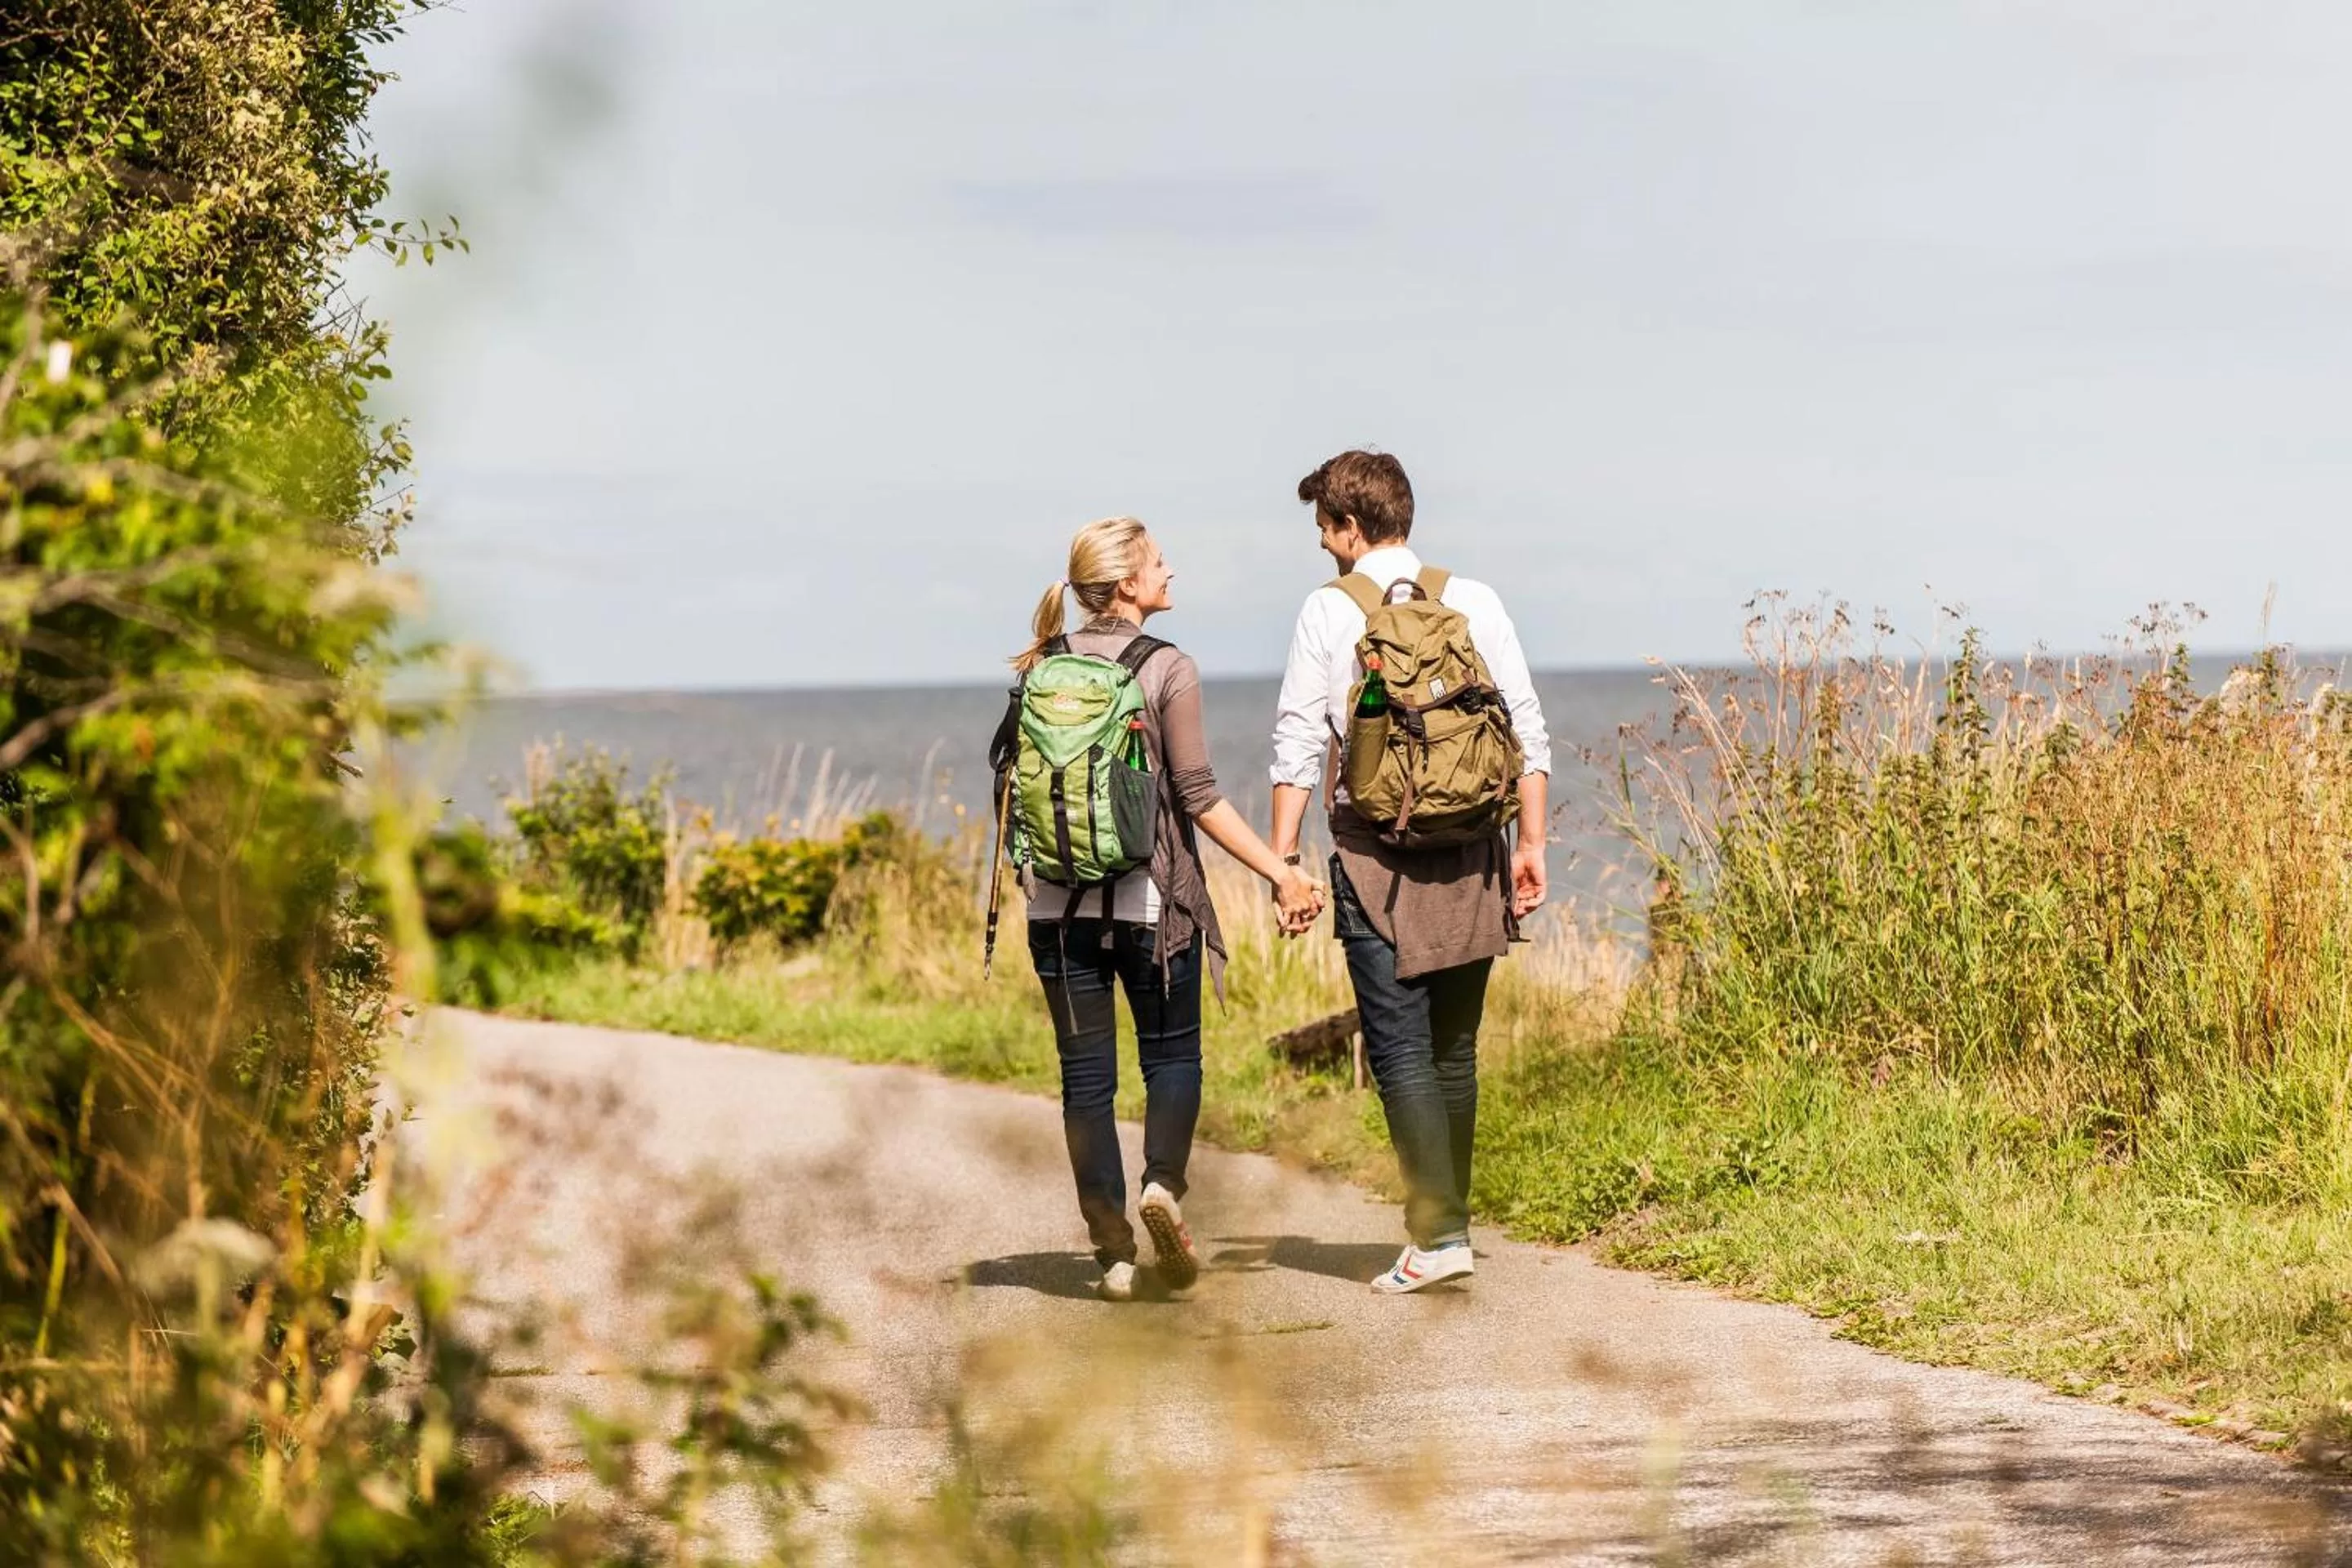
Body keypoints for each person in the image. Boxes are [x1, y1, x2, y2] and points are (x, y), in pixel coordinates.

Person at [1007, 516, 1325, 1302]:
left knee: (1085, 1082)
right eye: (1157, 563)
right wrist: (1279, 874)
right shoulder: (1168, 669)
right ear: (1126, 584)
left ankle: (1112, 1252)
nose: (1170, 571)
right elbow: (1199, 797)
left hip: (1055, 909)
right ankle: (1162, 1188)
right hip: (1150, 908)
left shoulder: (1040, 665)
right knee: (1173, 1056)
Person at [1266, 452, 1552, 1294]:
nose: (1322, 545)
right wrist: (1531, 843)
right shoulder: (1474, 599)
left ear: (1352, 527)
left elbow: (1296, 742)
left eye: (1326, 528)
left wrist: (1283, 861)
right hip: (1472, 844)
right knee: (1453, 1049)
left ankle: (1438, 1233)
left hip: (1372, 852)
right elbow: (1524, 726)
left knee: (1397, 1049)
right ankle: (1447, 1225)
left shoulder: (1329, 611)